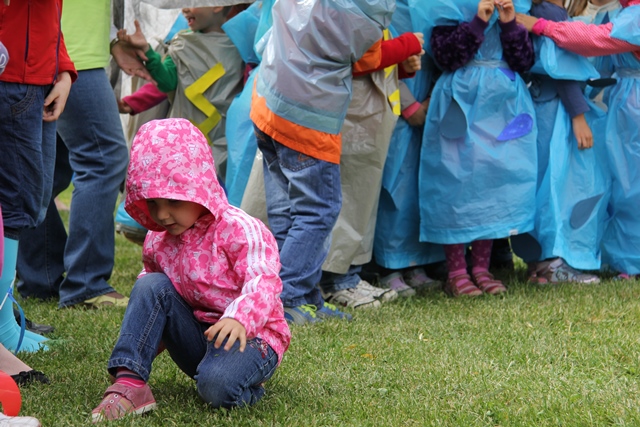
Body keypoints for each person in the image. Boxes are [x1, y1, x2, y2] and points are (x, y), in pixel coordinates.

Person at [91, 118, 290, 422]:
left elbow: (263, 280)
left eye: (173, 200)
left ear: (200, 187)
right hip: (199, 335)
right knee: (150, 283)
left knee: (216, 389)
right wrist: (147, 336)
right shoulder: (159, 238)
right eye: (153, 203)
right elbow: (156, 298)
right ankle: (129, 383)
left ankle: (248, 382)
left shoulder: (241, 230)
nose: (162, 214)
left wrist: (240, 318)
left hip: (250, 338)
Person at [250, 0, 396, 324]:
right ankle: (286, 298)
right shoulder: (362, 7)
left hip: (268, 102)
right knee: (318, 210)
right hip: (308, 116)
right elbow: (368, 56)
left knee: (287, 211)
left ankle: (304, 297)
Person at [411, 0, 537, 296]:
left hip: (503, 105)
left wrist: (508, 24)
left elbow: (524, 61)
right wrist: (478, 22)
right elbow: (445, 57)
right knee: (455, 183)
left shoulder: (514, 8)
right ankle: (456, 271)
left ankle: (481, 268)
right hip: (461, 103)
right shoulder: (447, 7)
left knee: (492, 184)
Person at [15, 0, 130, 309]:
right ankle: (85, 283)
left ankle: (40, 277)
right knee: (103, 159)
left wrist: (110, 40)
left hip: (68, 50)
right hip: (68, 53)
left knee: (46, 174)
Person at [517, 0, 640, 279]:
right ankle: (623, 259)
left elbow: (598, 40)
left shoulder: (634, 15)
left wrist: (543, 27)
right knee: (622, 184)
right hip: (622, 106)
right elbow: (599, 64)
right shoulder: (622, 12)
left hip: (629, 105)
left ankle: (630, 261)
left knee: (631, 185)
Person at [318, 30, 428, 308]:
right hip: (347, 115)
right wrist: (406, 46)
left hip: (361, 116)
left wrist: (400, 68)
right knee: (344, 197)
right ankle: (336, 281)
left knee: (357, 198)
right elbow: (357, 56)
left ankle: (345, 277)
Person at [0, 0, 76, 351]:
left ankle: (6, 316)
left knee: (29, 201)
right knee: (15, 203)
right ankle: (2, 326)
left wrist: (62, 70)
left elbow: (48, 17)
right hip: (12, 81)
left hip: (35, 81)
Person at [523, 0, 609, 284]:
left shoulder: (538, 11)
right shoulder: (551, 12)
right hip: (555, 110)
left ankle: (539, 264)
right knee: (556, 186)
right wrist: (578, 114)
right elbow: (560, 67)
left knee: (540, 183)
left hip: (539, 105)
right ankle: (554, 262)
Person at [115, 5, 245, 180]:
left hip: (225, 144)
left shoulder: (241, 45)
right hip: (184, 144)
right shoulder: (182, 44)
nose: (184, 9)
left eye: (193, 3)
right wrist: (147, 51)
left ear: (217, 5)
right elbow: (166, 81)